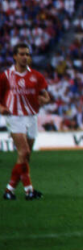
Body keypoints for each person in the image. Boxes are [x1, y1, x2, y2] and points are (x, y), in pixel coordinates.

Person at [1, 43, 51, 201]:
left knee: (25, 157)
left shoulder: (36, 76)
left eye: (27, 54)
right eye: (22, 54)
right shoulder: (6, 76)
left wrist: (44, 100)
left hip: (32, 117)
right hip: (14, 117)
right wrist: (1, 108)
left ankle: (18, 191)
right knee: (24, 152)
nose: (25, 57)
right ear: (15, 56)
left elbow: (46, 96)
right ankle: (18, 190)